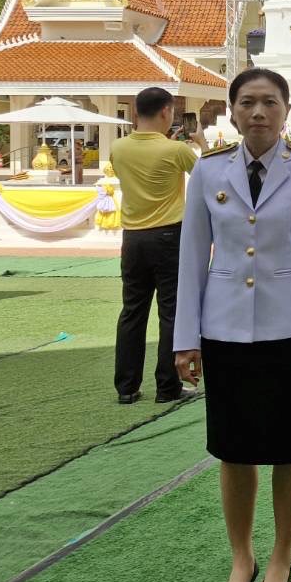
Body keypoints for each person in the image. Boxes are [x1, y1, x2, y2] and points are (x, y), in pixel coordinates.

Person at [174, 68, 291, 582]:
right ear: (233, 112)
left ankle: (282, 558)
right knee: (233, 449)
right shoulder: (208, 168)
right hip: (224, 329)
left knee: (289, 447)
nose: (259, 112)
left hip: (289, 331)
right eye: (247, 103)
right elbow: (193, 257)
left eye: (269, 102)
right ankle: (241, 558)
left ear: (286, 110)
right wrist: (184, 339)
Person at [110, 86, 205, 405]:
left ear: (136, 112)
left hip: (132, 237)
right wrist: (200, 144)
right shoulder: (174, 151)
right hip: (168, 235)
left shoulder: (118, 148)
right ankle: (167, 386)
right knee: (170, 312)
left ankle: (126, 386)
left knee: (132, 311)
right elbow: (207, 177)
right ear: (166, 112)